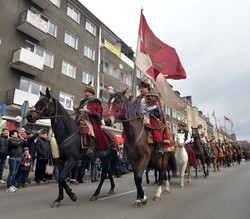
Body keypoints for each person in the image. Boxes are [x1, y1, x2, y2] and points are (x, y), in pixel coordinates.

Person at [74, 84, 112, 161]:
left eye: (87, 91)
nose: (86, 93)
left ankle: (90, 147)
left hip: (90, 119)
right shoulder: (83, 102)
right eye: (85, 91)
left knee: (89, 128)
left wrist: (85, 110)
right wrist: (76, 109)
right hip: (81, 118)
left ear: (91, 93)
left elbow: (97, 112)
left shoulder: (95, 102)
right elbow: (79, 111)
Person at [134, 80, 172, 154]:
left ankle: (159, 146)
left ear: (147, 88)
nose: (141, 89)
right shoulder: (138, 98)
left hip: (150, 116)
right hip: (138, 116)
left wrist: (147, 109)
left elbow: (156, 106)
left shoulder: (153, 97)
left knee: (154, 127)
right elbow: (133, 107)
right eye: (140, 88)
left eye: (143, 88)